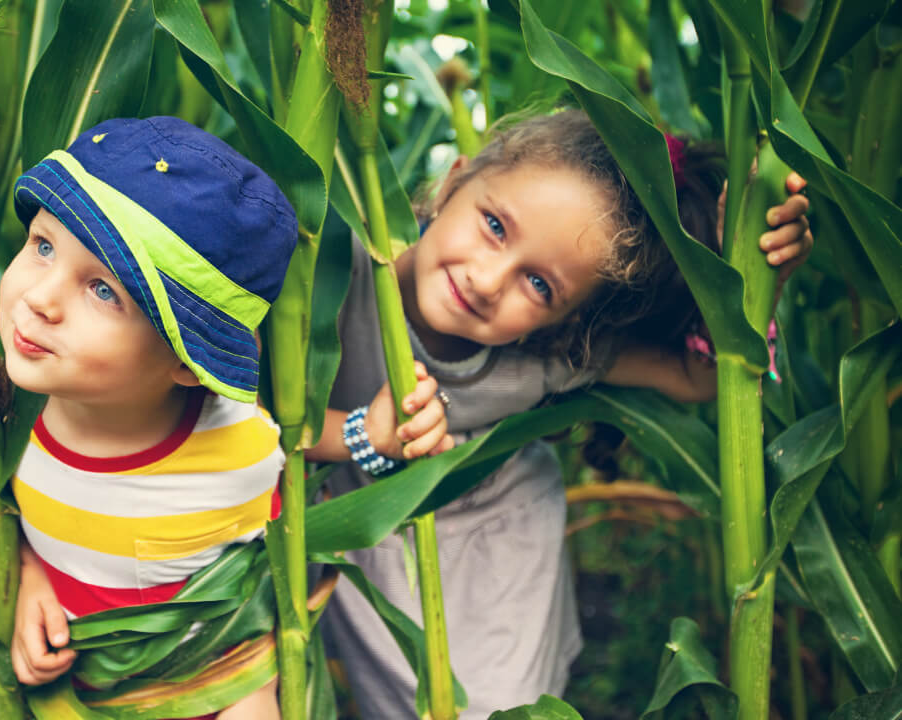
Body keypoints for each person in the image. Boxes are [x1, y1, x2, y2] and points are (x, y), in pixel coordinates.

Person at [308, 109, 813, 718]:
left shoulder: (546, 353)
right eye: (494, 225)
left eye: (541, 286)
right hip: (376, 545)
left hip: (502, 556)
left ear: (564, 319)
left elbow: (700, 374)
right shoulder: (337, 272)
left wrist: (751, 277)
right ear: (454, 181)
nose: (489, 280)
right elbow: (252, 411)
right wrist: (361, 436)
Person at [0, 116, 297, 719]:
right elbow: (2, 513)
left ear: (189, 364)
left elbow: (275, 575)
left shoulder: (242, 451)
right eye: (43, 246)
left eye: (103, 290)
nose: (40, 298)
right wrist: (28, 577)